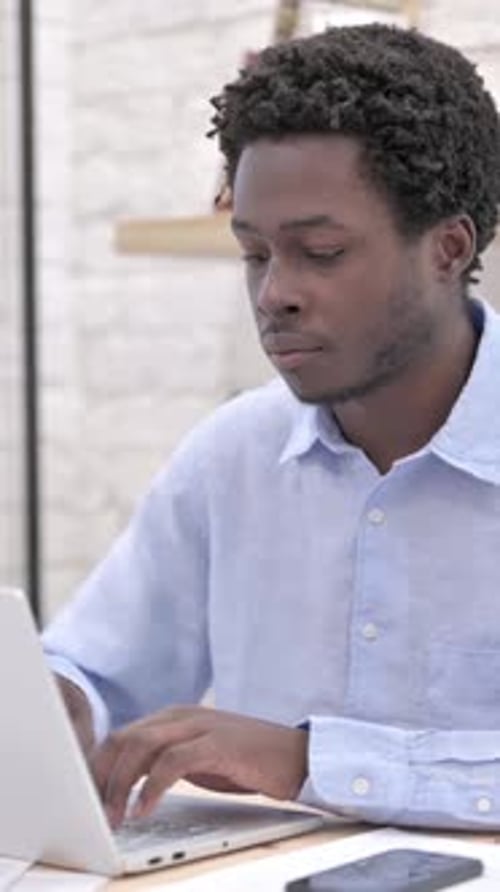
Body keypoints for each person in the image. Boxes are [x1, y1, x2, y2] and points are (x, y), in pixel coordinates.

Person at [43, 23, 500, 831]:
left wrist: (306, 762)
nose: (273, 293)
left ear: (447, 247)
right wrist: (56, 707)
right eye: (255, 254)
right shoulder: (233, 456)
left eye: (320, 252)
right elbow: (91, 668)